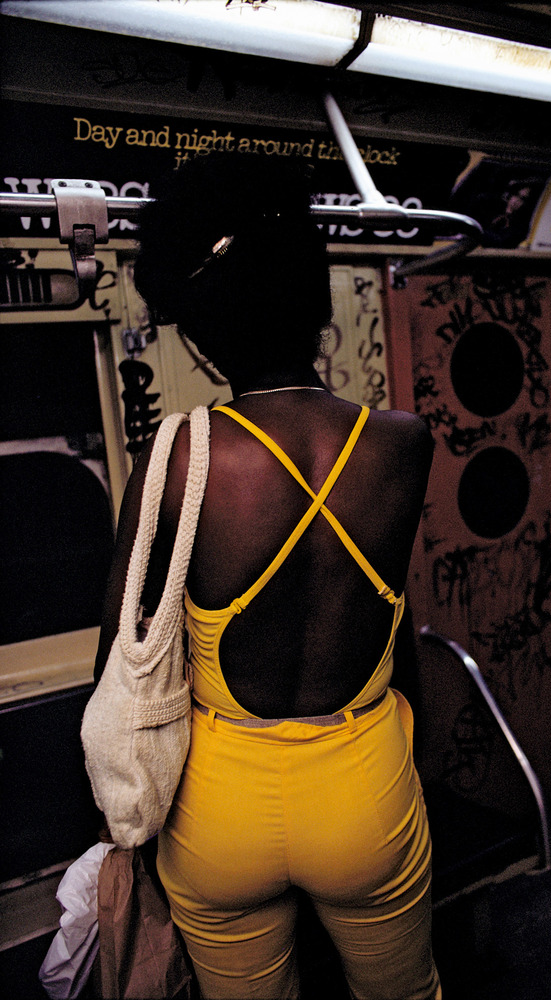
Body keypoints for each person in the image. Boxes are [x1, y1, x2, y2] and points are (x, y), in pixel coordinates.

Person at [94, 156, 439, 999]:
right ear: (317, 305)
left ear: (206, 332)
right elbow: (393, 619)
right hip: (365, 787)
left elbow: (121, 651)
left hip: (217, 814)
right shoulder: (402, 443)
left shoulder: (174, 458)